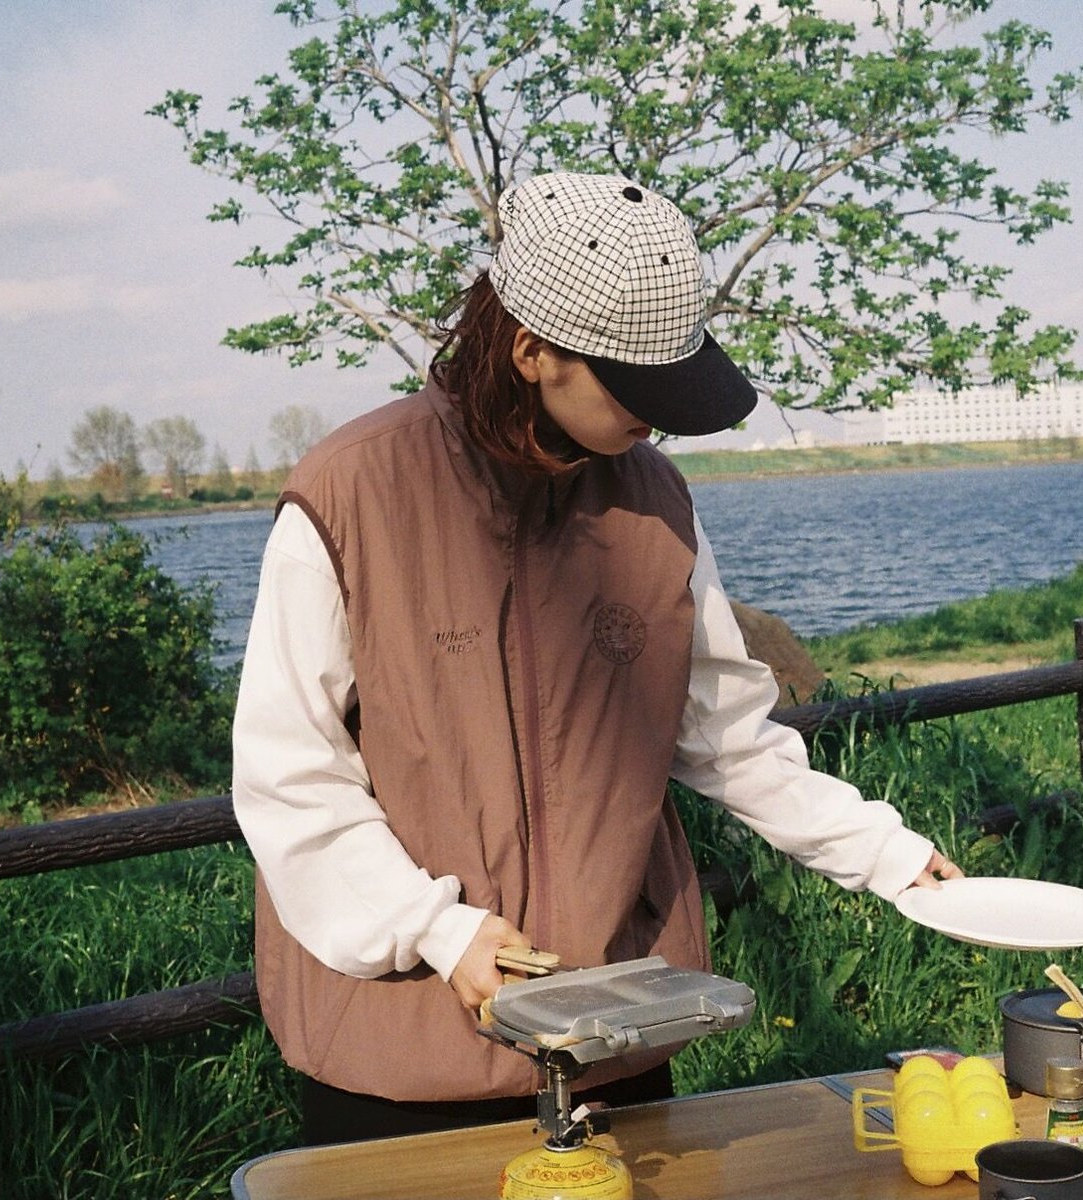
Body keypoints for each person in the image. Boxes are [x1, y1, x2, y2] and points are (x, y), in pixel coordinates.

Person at [231, 171, 963, 1146]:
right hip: (398, 1045)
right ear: (532, 349)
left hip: (617, 1021)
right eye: (635, 389)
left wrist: (889, 856)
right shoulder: (352, 493)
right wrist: (438, 931)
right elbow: (290, 777)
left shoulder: (656, 503)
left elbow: (727, 738)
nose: (656, 421)